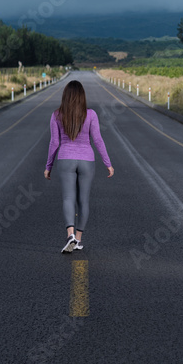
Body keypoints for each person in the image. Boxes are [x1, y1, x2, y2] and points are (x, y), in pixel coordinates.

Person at [44, 80, 114, 253]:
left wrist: (48, 166)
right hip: (87, 160)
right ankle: (79, 239)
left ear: (65, 96)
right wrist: (108, 164)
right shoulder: (90, 114)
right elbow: (97, 140)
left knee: (68, 198)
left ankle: (70, 236)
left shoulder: (57, 115)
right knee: (83, 201)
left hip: (66, 158)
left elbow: (54, 143)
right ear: (82, 96)